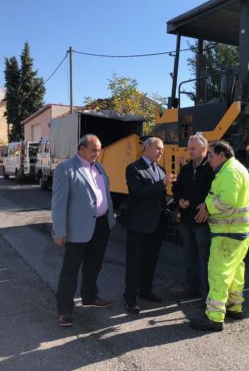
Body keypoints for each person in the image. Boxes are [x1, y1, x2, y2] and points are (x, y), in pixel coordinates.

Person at [52, 134, 116, 327]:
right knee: (71, 269)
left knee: (94, 265)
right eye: (94, 150)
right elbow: (58, 203)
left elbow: (104, 194)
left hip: (101, 225)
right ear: (81, 149)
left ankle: (89, 296)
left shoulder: (99, 167)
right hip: (77, 229)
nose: (98, 153)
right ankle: (65, 311)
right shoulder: (66, 169)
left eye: (99, 150)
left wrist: (110, 218)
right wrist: (59, 231)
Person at [190, 140, 249, 332]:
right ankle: (234, 307)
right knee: (234, 273)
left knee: (218, 273)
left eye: (211, 155)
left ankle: (214, 318)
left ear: (222, 155)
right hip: (238, 232)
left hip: (227, 232)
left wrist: (207, 206)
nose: (209, 159)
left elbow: (227, 201)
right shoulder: (236, 169)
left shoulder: (229, 172)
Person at [123, 136, 176, 314]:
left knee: (151, 260)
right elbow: (138, 192)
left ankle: (146, 289)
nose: (161, 152)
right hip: (139, 224)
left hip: (157, 224)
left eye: (162, 149)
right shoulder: (134, 168)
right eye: (158, 148)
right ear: (147, 148)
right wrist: (162, 183)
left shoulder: (161, 170)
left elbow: (159, 198)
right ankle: (130, 297)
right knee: (134, 262)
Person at [172, 134, 215, 300]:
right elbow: (177, 187)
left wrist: (200, 204)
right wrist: (179, 200)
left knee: (205, 257)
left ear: (203, 148)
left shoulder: (211, 169)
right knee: (189, 255)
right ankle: (192, 287)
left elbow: (214, 192)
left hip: (202, 220)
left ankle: (207, 292)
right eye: (189, 148)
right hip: (186, 220)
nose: (190, 151)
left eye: (193, 148)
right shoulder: (186, 168)